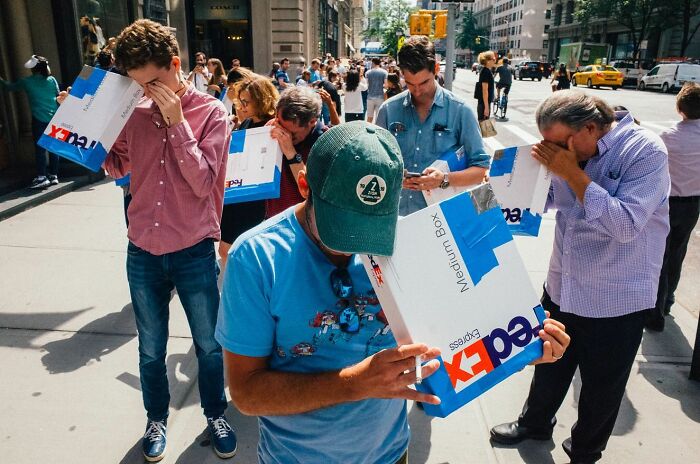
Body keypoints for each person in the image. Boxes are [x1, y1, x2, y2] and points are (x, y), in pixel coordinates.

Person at [215, 120, 571, 463]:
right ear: (305, 185)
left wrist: (521, 347)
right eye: (341, 228)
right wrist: (356, 383)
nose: (354, 246)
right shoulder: (257, 258)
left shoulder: (411, 241)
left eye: (370, 229)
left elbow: (458, 332)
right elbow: (246, 393)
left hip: (390, 452)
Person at [490, 90, 670, 464]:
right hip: (564, 284)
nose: (552, 153)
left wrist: (571, 173)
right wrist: (515, 187)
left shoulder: (645, 152)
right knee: (548, 364)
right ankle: (535, 423)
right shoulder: (569, 154)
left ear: (589, 127)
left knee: (602, 386)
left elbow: (625, 224)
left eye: (557, 144)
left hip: (615, 297)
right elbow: (553, 200)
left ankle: (586, 450)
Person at [102, 20, 237, 462]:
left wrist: (177, 124)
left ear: (175, 66)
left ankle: (215, 413)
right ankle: (155, 418)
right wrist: (89, 125)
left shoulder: (213, 113)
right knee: (149, 346)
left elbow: (203, 183)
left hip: (194, 248)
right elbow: (116, 167)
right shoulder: (134, 113)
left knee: (209, 344)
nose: (146, 94)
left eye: (153, 83)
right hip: (142, 246)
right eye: (139, 86)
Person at [375, 36, 491, 217]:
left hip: (444, 221)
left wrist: (444, 179)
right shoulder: (388, 110)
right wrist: (393, 175)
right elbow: (374, 164)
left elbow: (481, 170)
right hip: (394, 217)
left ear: (436, 69)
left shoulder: (460, 111)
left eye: (424, 82)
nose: (417, 91)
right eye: (410, 84)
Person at [647, 83, 700, 331]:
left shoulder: (667, 137)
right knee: (677, 254)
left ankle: (656, 312)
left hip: (667, 203)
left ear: (680, 108)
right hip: (692, 205)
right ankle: (668, 301)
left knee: (660, 256)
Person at [219, 75, 279, 271]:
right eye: (240, 101)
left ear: (262, 100)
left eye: (246, 102)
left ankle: (240, 285)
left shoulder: (273, 124)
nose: (241, 105)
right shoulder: (247, 122)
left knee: (233, 249)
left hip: (254, 196)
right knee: (226, 248)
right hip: (236, 192)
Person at [0, 55, 60, 189]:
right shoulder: (52, 80)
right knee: (53, 147)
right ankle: (53, 175)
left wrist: (1, 80)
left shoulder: (26, 81)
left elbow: (9, 87)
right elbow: (58, 95)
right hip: (54, 117)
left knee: (40, 149)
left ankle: (41, 176)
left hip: (39, 119)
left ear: (33, 70)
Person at [266, 86, 325, 218]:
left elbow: (311, 193)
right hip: (273, 220)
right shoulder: (272, 127)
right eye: (280, 124)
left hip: (305, 226)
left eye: (292, 134)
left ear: (312, 122)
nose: (284, 134)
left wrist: (291, 154)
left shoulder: (326, 143)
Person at [365, 57, 388, 123]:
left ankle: (368, 131)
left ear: (373, 63)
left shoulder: (368, 72)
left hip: (370, 97)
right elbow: (386, 85)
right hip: (380, 97)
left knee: (369, 117)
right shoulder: (384, 72)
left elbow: (367, 85)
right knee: (378, 117)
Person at [475, 51, 496, 121]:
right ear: (487, 61)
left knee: (484, 128)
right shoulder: (486, 72)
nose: (494, 60)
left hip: (484, 103)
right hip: (484, 104)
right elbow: (484, 90)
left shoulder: (486, 71)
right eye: (493, 59)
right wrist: (486, 108)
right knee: (484, 128)